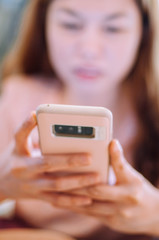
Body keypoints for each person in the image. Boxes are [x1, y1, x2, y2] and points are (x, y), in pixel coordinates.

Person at [0, 0, 159, 239]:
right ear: (44, 26)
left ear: (144, 34)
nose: (89, 49)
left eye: (113, 28)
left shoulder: (153, 113)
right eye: (70, 24)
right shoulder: (17, 95)